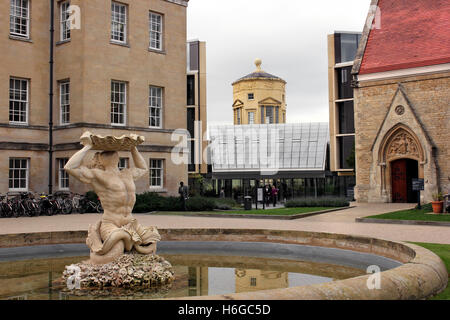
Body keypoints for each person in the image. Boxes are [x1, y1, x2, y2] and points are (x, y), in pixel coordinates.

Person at [64, 135, 160, 263]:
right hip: (111, 223)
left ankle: (130, 248)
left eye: (113, 153)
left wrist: (133, 148)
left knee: (151, 241)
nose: (112, 154)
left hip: (130, 222)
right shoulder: (98, 175)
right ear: (100, 160)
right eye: (106, 154)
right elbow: (69, 167)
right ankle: (103, 251)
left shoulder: (127, 173)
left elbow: (143, 168)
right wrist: (88, 146)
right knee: (117, 247)